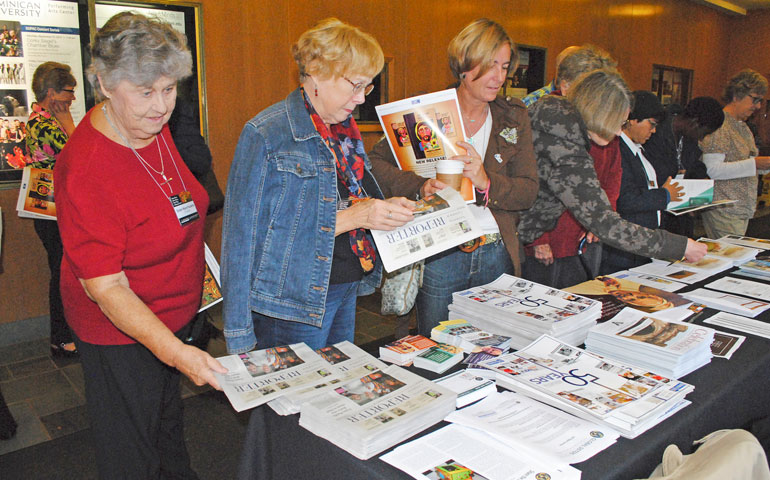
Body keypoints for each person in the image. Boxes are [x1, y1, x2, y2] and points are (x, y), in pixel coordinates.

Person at [54, 12, 226, 478]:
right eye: (145, 91)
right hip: (119, 331)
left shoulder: (150, 126)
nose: (160, 106)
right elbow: (106, 287)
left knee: (166, 429)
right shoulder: (87, 167)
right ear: (104, 84)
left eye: (169, 88)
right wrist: (173, 352)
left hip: (171, 317)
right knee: (130, 448)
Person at [222, 18, 415, 353]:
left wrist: (385, 208)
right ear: (315, 70)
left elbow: (343, 199)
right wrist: (238, 331)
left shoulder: (345, 132)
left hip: (344, 284)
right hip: (291, 299)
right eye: (355, 85)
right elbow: (243, 238)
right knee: (289, 402)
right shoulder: (268, 133)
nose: (360, 99)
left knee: (332, 394)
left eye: (366, 88)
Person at [370, 18, 539, 335]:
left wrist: (486, 182)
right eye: (489, 66)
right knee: (437, 346)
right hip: (442, 251)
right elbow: (375, 162)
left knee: (490, 348)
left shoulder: (514, 116)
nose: (498, 78)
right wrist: (420, 186)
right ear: (464, 65)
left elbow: (529, 191)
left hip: (496, 249)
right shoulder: (427, 112)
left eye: (504, 68)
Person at [519, 69, 707, 275]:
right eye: (618, 122)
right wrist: (679, 247)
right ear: (600, 111)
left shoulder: (563, 124)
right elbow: (604, 222)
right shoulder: (564, 143)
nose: (618, 131)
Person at [521, 45, 622, 288]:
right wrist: (537, 239)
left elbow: (612, 177)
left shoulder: (602, 121)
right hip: (548, 240)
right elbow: (530, 182)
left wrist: (602, 220)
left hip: (585, 237)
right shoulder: (544, 117)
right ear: (566, 86)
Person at [25, 61, 78, 357]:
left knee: (63, 269)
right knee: (60, 270)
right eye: (68, 91)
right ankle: (60, 336)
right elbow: (80, 154)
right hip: (51, 211)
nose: (72, 97)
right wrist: (69, 123)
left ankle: (65, 333)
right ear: (51, 92)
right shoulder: (43, 124)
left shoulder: (42, 119)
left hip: (55, 208)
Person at [601, 91, 685, 274]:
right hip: (623, 250)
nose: (653, 131)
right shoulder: (618, 150)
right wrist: (665, 195)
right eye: (651, 124)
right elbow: (625, 199)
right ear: (632, 120)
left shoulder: (638, 149)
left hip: (640, 245)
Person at [699, 69, 770, 238]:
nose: (758, 106)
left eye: (761, 101)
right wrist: (755, 164)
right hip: (724, 209)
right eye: (755, 99)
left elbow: (745, 162)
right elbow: (711, 169)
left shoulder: (742, 126)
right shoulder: (719, 124)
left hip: (740, 209)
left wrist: (762, 166)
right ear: (737, 95)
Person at [642, 97, 725, 237]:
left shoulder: (687, 137)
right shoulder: (655, 131)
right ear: (694, 123)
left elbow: (694, 165)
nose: (702, 138)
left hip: (680, 214)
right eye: (704, 133)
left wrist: (702, 180)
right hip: (656, 210)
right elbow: (653, 173)